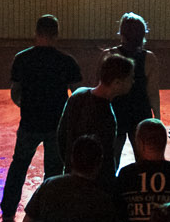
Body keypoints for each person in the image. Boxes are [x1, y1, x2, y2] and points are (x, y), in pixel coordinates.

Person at [3, 14, 84, 222]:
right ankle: (50, 212)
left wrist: (26, 105)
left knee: (19, 167)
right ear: (56, 34)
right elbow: (77, 94)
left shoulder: (22, 59)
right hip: (56, 124)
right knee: (54, 172)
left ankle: (8, 213)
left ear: (36, 32)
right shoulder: (66, 61)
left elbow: (15, 92)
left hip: (29, 122)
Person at [57, 53, 134, 183]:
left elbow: (61, 136)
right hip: (94, 183)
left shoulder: (78, 95)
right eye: (130, 78)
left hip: (72, 175)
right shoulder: (106, 115)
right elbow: (107, 158)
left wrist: (70, 166)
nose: (132, 82)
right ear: (116, 83)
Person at [107, 12, 160, 163]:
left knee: (112, 159)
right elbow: (152, 92)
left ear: (122, 33)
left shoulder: (110, 55)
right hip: (140, 113)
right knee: (144, 160)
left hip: (116, 112)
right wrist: (157, 118)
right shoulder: (149, 58)